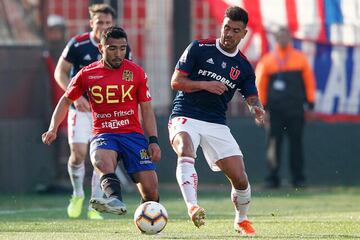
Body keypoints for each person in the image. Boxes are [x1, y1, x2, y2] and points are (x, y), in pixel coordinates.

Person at [42, 26, 161, 216]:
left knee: (151, 191)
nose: (118, 53)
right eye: (113, 48)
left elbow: (146, 109)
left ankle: (147, 220)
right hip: (104, 133)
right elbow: (66, 100)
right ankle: (114, 199)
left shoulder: (136, 73)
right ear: (101, 48)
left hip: (132, 135)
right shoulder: (87, 74)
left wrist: (153, 140)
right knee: (100, 160)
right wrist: (52, 128)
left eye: (122, 48)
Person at [168, 6, 265, 236]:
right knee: (185, 149)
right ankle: (192, 206)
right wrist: (204, 84)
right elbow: (176, 82)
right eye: (226, 28)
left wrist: (257, 108)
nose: (229, 34)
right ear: (221, 26)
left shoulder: (243, 66)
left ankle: (241, 220)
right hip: (185, 114)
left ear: (244, 34)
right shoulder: (199, 48)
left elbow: (251, 95)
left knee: (240, 179)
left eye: (235, 30)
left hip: (216, 123)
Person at [54, 3, 132, 220]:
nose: (103, 26)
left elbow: (128, 78)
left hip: (106, 113)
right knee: (78, 155)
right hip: (80, 109)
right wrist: (76, 96)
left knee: (101, 158)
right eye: (99, 22)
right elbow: (59, 72)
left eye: (108, 23)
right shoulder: (77, 44)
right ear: (92, 23)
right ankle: (77, 193)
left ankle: (93, 204)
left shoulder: (121, 46)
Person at [255, 27, 316, 189]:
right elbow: (260, 85)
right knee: (273, 143)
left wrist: (310, 99)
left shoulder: (300, 58)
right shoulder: (267, 60)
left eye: (286, 36)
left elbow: (309, 80)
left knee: (296, 143)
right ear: (276, 38)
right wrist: (261, 106)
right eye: (280, 36)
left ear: (290, 38)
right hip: (274, 110)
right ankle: (272, 179)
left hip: (295, 108)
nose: (283, 39)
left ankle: (298, 179)